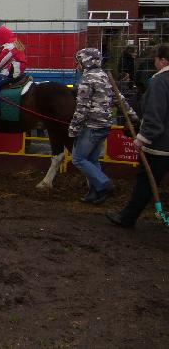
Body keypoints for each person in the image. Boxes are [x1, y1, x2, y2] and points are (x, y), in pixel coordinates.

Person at [107, 44, 169, 228]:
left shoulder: (160, 82)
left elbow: (154, 114)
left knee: (146, 181)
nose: (154, 63)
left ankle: (127, 217)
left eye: (155, 59)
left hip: (160, 145)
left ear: (163, 60)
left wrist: (142, 138)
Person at [69, 48, 139, 205]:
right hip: (106, 125)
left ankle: (105, 184)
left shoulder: (87, 79)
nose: (77, 65)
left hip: (91, 125)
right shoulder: (105, 76)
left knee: (78, 159)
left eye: (79, 61)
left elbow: (82, 108)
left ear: (85, 61)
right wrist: (133, 116)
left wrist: (73, 128)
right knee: (93, 159)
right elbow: (119, 99)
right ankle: (95, 193)